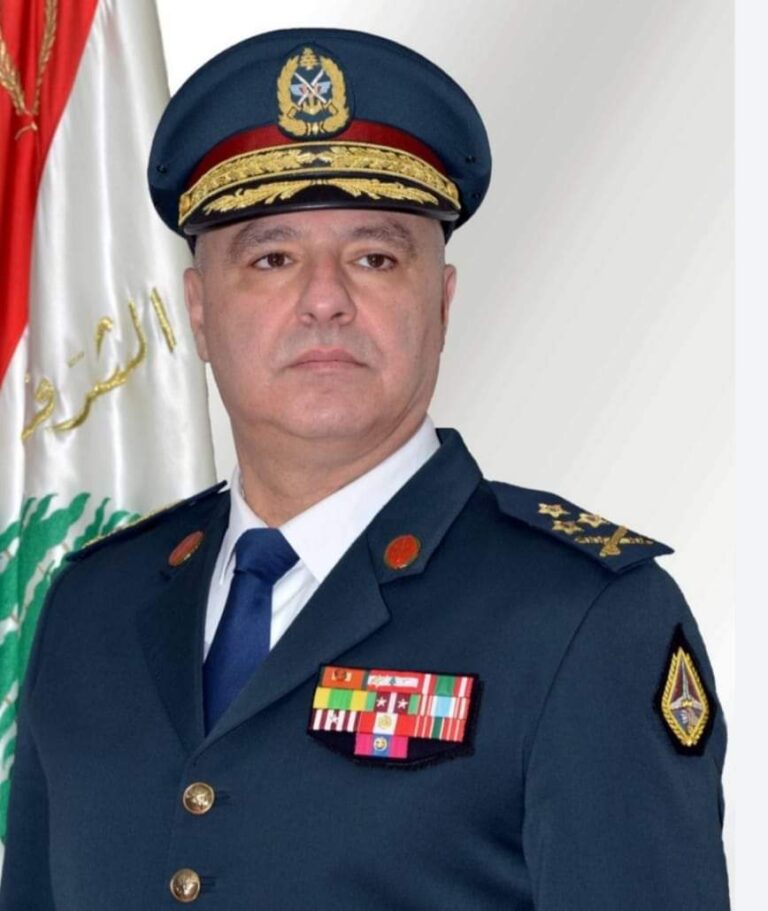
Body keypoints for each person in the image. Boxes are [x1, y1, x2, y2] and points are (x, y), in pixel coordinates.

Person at [0, 26, 729, 910]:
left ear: (442, 302)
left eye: (374, 257)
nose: (324, 298)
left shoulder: (583, 618)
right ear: (198, 310)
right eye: (271, 258)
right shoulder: (90, 610)